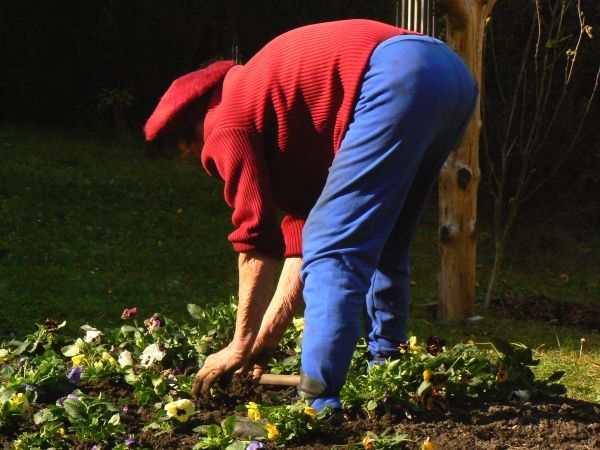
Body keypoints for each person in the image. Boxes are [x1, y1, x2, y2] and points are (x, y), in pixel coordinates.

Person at [144, 19, 478, 411]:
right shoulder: (276, 102)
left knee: (334, 251)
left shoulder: (225, 122)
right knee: (385, 242)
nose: (208, 161)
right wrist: (266, 337)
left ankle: (316, 405)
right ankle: (387, 374)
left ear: (191, 128)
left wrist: (237, 345)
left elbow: (257, 242)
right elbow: (303, 233)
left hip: (396, 75)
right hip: (450, 75)